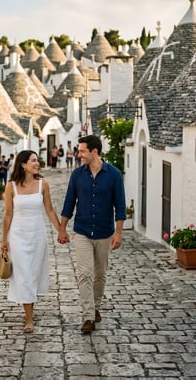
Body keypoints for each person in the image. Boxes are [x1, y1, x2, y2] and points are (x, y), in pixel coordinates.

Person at [57, 135, 126, 334]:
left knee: (100, 275)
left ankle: (95, 306)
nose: (79, 155)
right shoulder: (77, 175)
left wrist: (119, 233)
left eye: (82, 151)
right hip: (82, 231)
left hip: (105, 232)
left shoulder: (113, 174)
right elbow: (69, 202)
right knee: (84, 274)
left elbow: (120, 205)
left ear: (94, 151)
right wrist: (62, 229)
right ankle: (88, 316)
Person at [0, 150, 61, 333]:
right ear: (23, 164)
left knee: (33, 273)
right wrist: (4, 239)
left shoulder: (43, 184)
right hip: (18, 235)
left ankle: (29, 309)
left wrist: (61, 231)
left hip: (37, 234)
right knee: (24, 273)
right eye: (33, 161)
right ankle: (29, 319)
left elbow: (49, 210)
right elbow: (8, 214)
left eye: (37, 160)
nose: (37, 163)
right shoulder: (11, 186)